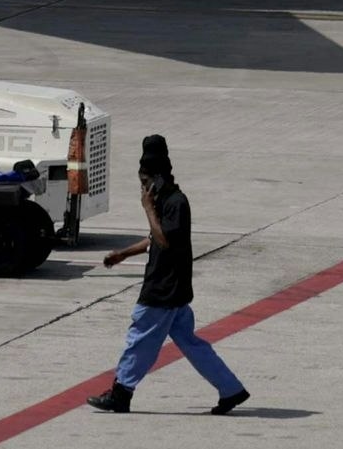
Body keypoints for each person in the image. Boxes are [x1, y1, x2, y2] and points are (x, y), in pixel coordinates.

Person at [89, 134, 250, 415]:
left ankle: (121, 393)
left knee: (139, 339)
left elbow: (165, 240)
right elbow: (153, 238)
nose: (142, 189)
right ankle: (231, 389)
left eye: (144, 182)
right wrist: (123, 254)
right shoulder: (166, 200)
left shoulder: (175, 202)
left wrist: (148, 208)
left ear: (158, 177)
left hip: (163, 289)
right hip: (173, 291)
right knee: (191, 344)